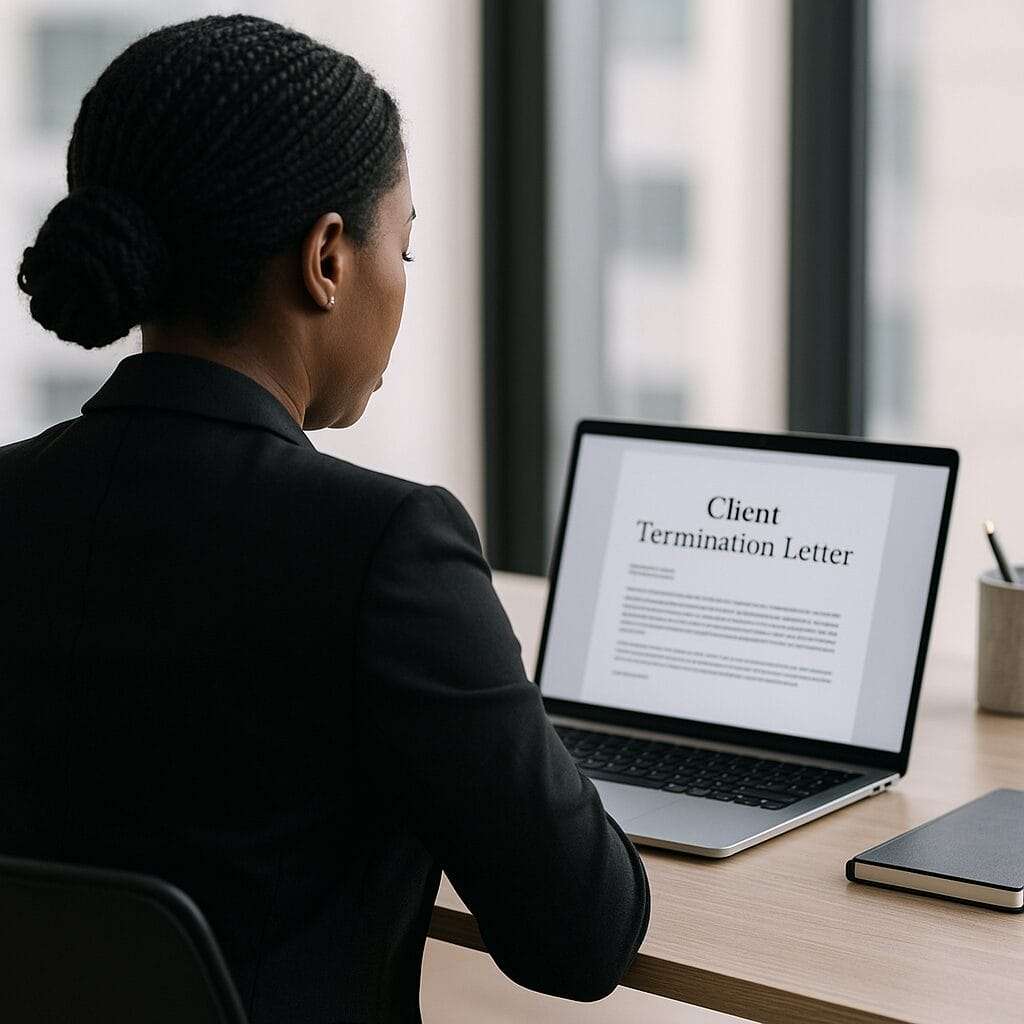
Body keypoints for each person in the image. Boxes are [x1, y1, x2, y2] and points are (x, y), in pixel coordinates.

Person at [2, 14, 649, 1024]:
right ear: (328, 258)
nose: (405, 281)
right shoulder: (384, 550)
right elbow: (580, 935)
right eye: (405, 243)